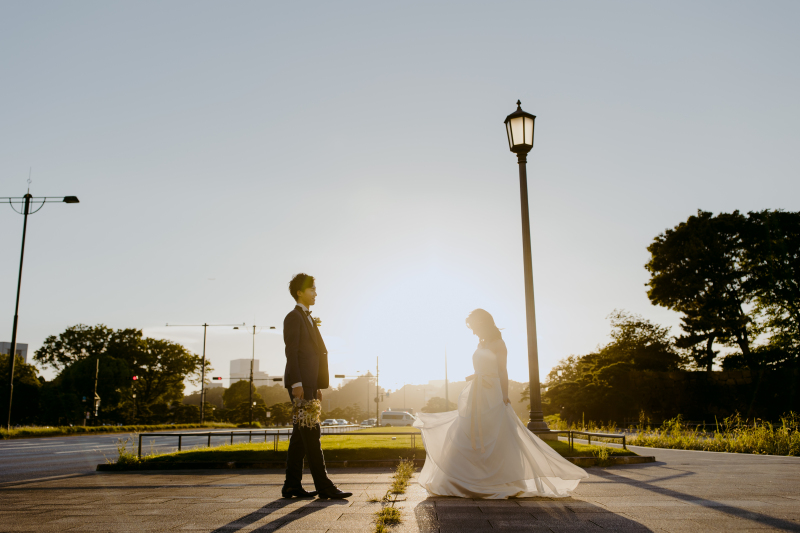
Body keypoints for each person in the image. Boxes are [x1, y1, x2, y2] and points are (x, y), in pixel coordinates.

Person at [413, 308, 588, 498]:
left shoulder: (499, 343)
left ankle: (498, 481)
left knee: (494, 433)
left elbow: (503, 371)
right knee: (467, 431)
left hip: (492, 391)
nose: (473, 331)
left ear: (483, 323)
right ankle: (459, 481)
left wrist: (504, 396)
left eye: (474, 326)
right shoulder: (481, 344)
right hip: (476, 392)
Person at [281, 273, 352, 500]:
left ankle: (291, 485)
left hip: (310, 385)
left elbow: (315, 354)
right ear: (300, 292)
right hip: (301, 385)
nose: (315, 293)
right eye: (312, 289)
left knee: (300, 438)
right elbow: (291, 351)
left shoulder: (308, 318)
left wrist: (317, 385)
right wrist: (298, 383)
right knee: (312, 434)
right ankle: (324, 486)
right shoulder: (294, 317)